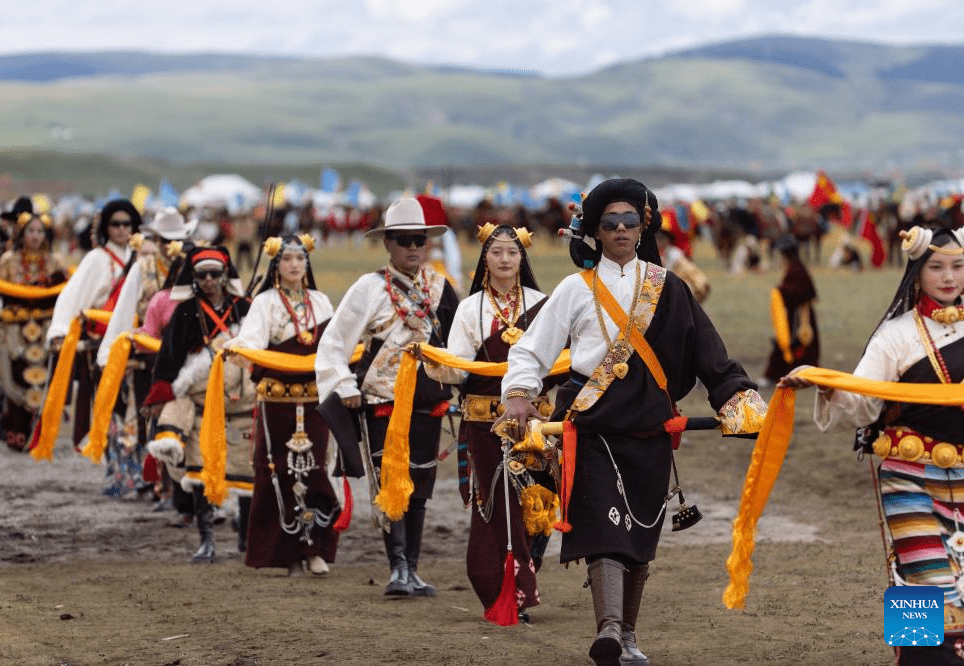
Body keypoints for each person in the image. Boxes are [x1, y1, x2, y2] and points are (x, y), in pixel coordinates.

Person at [498, 178, 766, 666]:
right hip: (590, 430)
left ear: (644, 226)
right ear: (595, 231)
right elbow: (530, 351)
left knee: (640, 535)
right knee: (605, 528)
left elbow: (711, 355)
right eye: (609, 222)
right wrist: (518, 393)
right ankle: (608, 632)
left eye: (630, 220)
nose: (620, 230)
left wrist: (737, 399)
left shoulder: (672, 288)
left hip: (650, 430)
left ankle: (627, 637)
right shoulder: (574, 289)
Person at [781, 225, 964, 665]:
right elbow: (862, 401)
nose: (948, 277)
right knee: (922, 575)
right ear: (916, 273)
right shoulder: (895, 336)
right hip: (909, 474)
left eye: (958, 266)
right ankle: (919, 659)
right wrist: (824, 385)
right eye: (935, 267)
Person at [315, 197, 458, 597]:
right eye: (403, 240)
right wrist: (343, 386)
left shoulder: (442, 288)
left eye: (419, 240)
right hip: (382, 403)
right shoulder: (368, 288)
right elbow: (334, 344)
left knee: (421, 487)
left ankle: (412, 567)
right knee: (390, 484)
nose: (412, 248)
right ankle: (396, 566)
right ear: (388, 245)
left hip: (429, 404)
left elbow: (458, 345)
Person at [425, 223, 554, 622]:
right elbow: (459, 370)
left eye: (511, 253)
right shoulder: (470, 307)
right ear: (485, 258)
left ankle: (524, 578)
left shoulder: (544, 303)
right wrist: (434, 361)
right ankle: (502, 591)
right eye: (496, 252)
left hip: (536, 424)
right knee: (497, 505)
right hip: (484, 425)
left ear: (522, 258)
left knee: (539, 501)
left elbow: (557, 358)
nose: (503, 260)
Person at [224, 234, 339, 576]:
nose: (293, 265)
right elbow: (252, 342)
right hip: (277, 401)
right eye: (287, 259)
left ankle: (315, 548)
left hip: (314, 400)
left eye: (299, 259)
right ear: (277, 265)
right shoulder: (266, 303)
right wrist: (236, 347)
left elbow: (334, 343)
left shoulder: (320, 302)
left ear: (307, 264)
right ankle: (286, 552)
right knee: (279, 472)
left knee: (315, 469)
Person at [143, 245, 252, 563]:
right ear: (193, 277)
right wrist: (160, 392)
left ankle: (245, 538)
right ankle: (207, 541)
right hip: (200, 403)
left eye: (215, 274)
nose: (208, 280)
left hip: (240, 403)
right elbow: (170, 357)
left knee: (243, 469)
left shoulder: (244, 308)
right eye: (201, 274)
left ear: (224, 275)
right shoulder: (186, 312)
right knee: (201, 472)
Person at [94, 208, 196, 497]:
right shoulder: (143, 266)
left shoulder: (195, 265)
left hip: (187, 359)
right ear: (156, 239)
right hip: (147, 356)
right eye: (164, 240)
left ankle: (181, 487)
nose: (169, 246)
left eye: (175, 240)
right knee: (144, 419)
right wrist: (110, 354)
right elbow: (124, 309)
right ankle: (150, 482)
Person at [46, 199, 141, 448]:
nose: (122, 229)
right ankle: (109, 450)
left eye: (127, 224)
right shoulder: (96, 259)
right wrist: (60, 330)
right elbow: (71, 297)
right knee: (108, 400)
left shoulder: (141, 259)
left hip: (137, 339)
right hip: (102, 342)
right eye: (115, 224)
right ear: (105, 228)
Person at [0, 213, 68, 450]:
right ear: (21, 235)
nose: (35, 236)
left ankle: (40, 436)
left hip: (44, 328)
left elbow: (64, 293)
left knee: (43, 380)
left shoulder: (54, 261)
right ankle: (16, 434)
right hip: (14, 330)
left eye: (39, 231)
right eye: (30, 231)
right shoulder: (7, 260)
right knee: (15, 376)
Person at [762, 234, 819, 385]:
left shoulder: (797, 270)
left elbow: (800, 293)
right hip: (793, 314)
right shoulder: (795, 268)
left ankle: (779, 376)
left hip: (800, 316)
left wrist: (779, 291)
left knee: (796, 345)